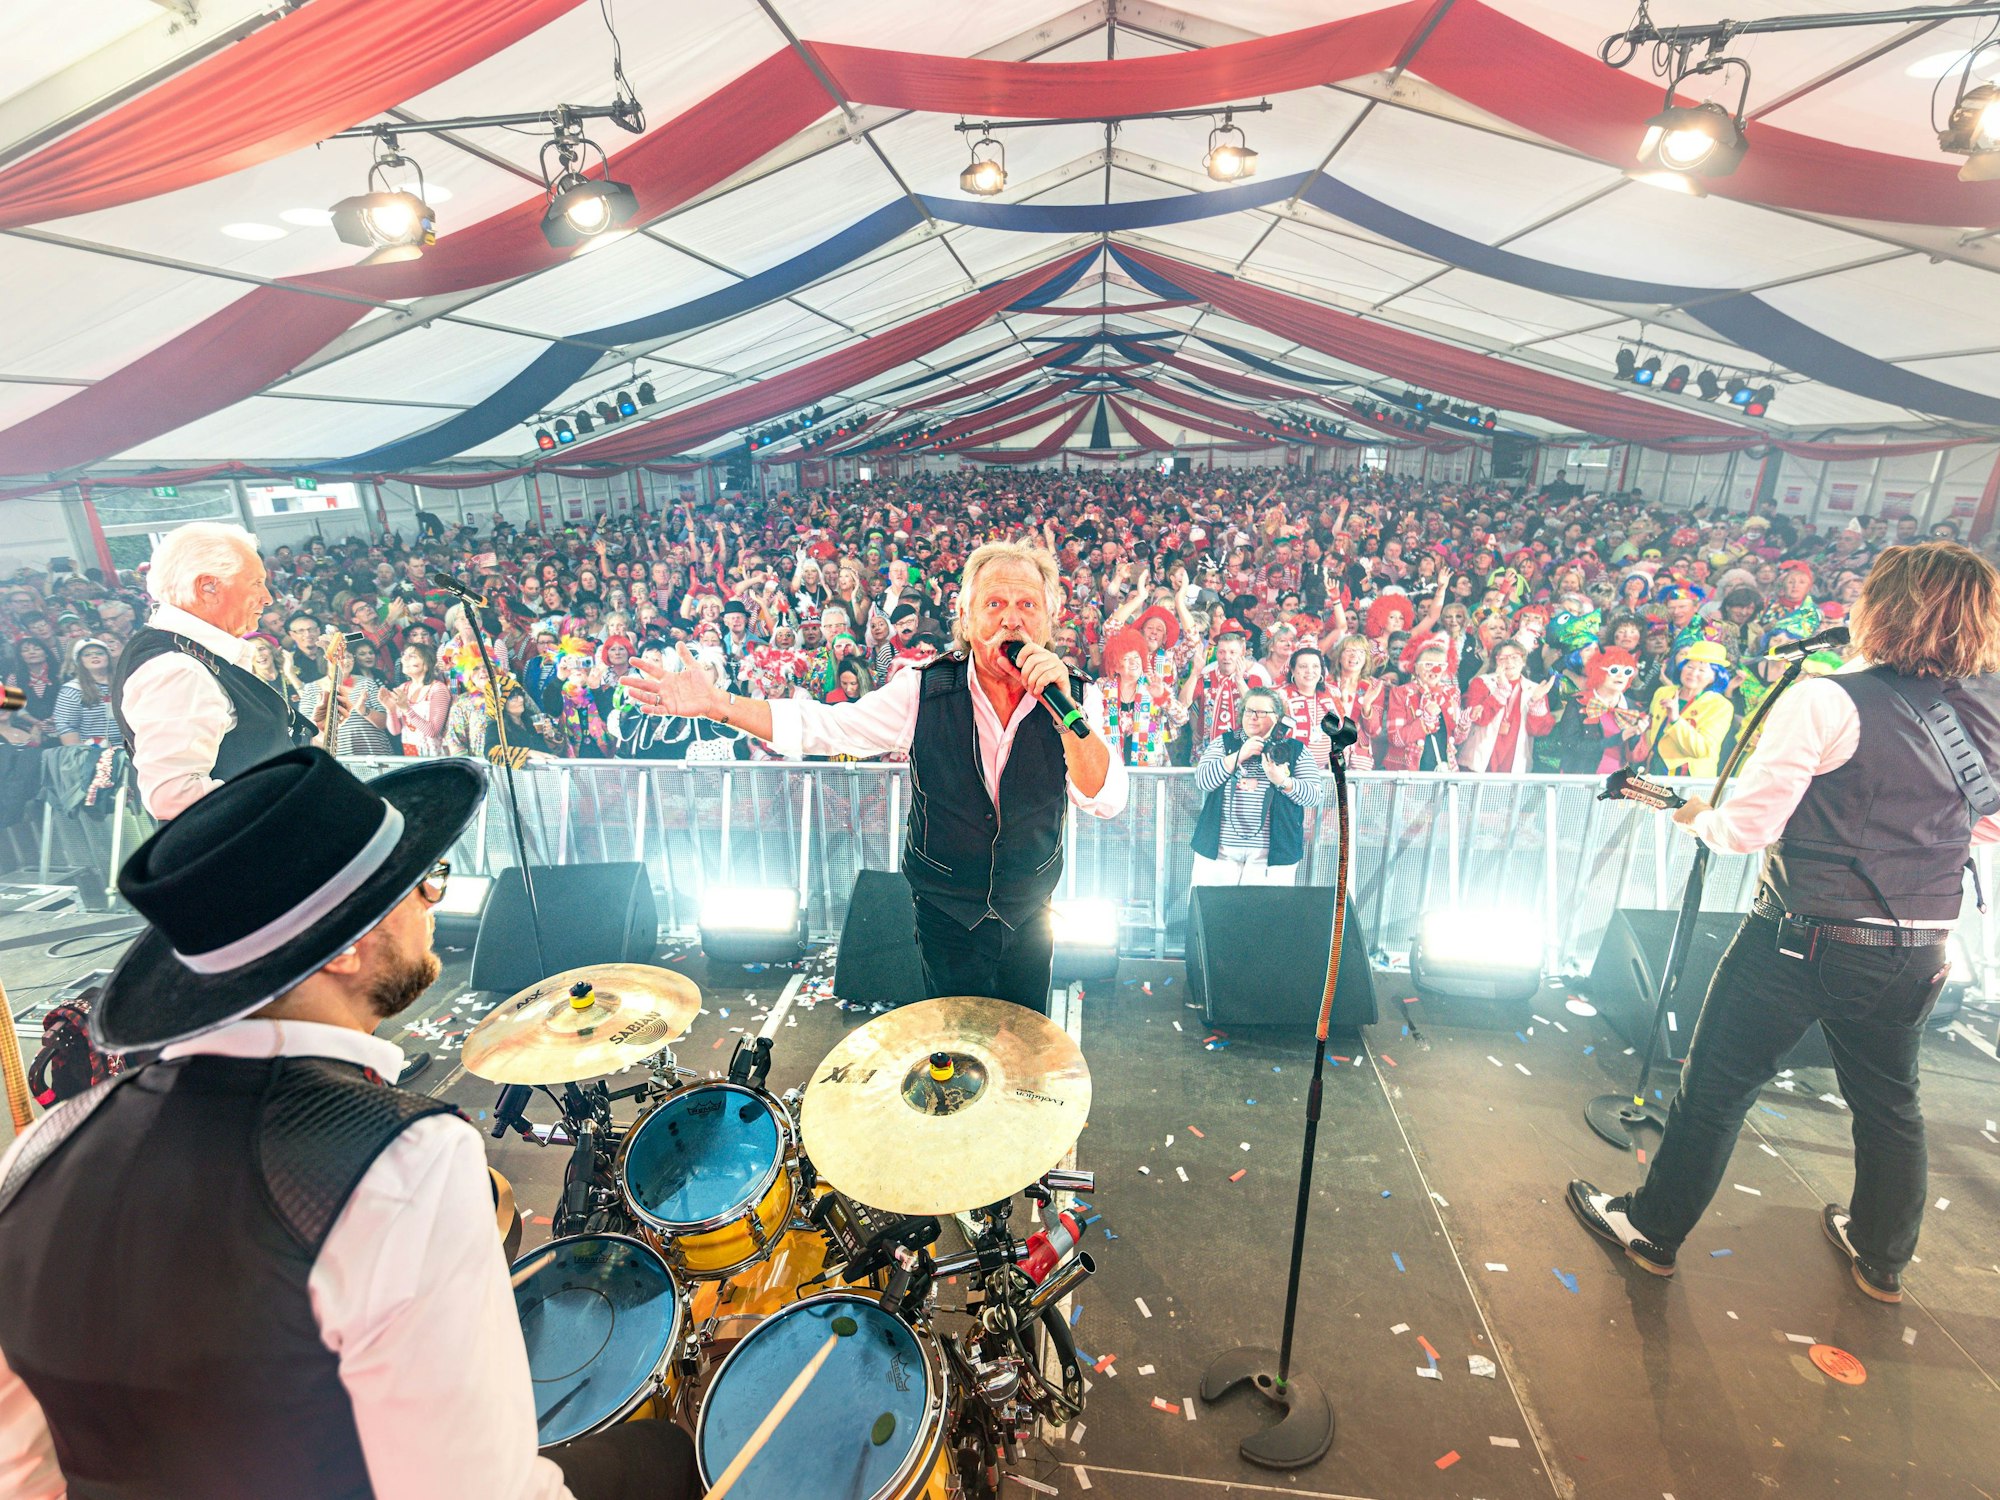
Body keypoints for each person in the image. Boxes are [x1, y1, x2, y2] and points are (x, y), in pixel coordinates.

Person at [0, 748, 701, 1499]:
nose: (432, 904)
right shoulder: (407, 1161)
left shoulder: (45, 1146)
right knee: (661, 1457)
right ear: (344, 950)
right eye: (419, 885)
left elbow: (22, 1461)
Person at [1569, 543, 2000, 1303]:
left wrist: (1676, 805)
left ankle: (1652, 1231)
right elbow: (1987, 824)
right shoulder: (1988, 710)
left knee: (1717, 1091)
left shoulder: (1827, 698)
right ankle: (1881, 1257)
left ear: (1883, 607)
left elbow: (1742, 831)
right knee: (1891, 1104)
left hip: (1802, 941)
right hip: (1922, 949)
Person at [620, 541, 1126, 1013]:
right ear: (967, 619)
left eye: (1027, 606)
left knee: (1023, 1044)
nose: (1010, 620)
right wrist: (720, 705)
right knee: (951, 1043)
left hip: (1030, 912)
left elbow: (1104, 797)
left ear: (1049, 622)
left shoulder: (1077, 696)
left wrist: (1062, 713)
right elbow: (826, 728)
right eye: (994, 604)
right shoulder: (924, 689)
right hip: (944, 911)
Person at [112, 521, 308, 820]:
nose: (268, 598)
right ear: (208, 587)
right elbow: (171, 795)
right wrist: (283, 800)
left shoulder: (186, 652)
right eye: (256, 583)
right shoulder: (178, 670)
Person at [1189, 685, 1326, 886]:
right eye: (1249, 710)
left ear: (1278, 717)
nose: (1253, 717)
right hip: (1219, 852)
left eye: (1261, 712)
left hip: (1272, 855)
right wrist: (1239, 755)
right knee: (1212, 913)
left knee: (1263, 917)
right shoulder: (1225, 742)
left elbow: (1314, 795)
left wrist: (1283, 782)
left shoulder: (1295, 749)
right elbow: (1203, 781)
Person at [1638, 640, 1736, 779]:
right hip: (1653, 770)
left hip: (1688, 777)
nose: (1693, 673)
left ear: (1714, 677)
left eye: (1702, 670)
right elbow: (1651, 731)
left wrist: (1676, 720)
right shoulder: (1663, 692)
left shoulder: (1720, 706)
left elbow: (1701, 749)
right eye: (1689, 666)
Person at [1456, 639, 1556, 773]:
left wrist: (1536, 701)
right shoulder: (1481, 683)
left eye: (1515, 657)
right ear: (1496, 662)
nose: (1509, 662)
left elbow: (1539, 731)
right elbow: (1478, 719)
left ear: (1523, 661)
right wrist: (1501, 690)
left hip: (1515, 766)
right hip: (1477, 763)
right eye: (1503, 658)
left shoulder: (1535, 690)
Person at [1382, 642, 1469, 772]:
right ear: (1415, 667)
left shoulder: (1451, 693)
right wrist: (1425, 722)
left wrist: (1463, 725)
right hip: (1409, 770)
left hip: (1445, 771)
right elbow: (1396, 739)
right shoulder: (1402, 693)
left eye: (1441, 665)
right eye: (1428, 664)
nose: (1436, 670)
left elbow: (1455, 740)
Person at [50, 639, 117, 746]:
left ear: (108, 657)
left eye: (100, 653)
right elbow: (66, 726)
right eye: (87, 655)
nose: (94, 656)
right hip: (92, 751)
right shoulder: (71, 690)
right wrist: (78, 754)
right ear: (80, 661)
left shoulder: (125, 683)